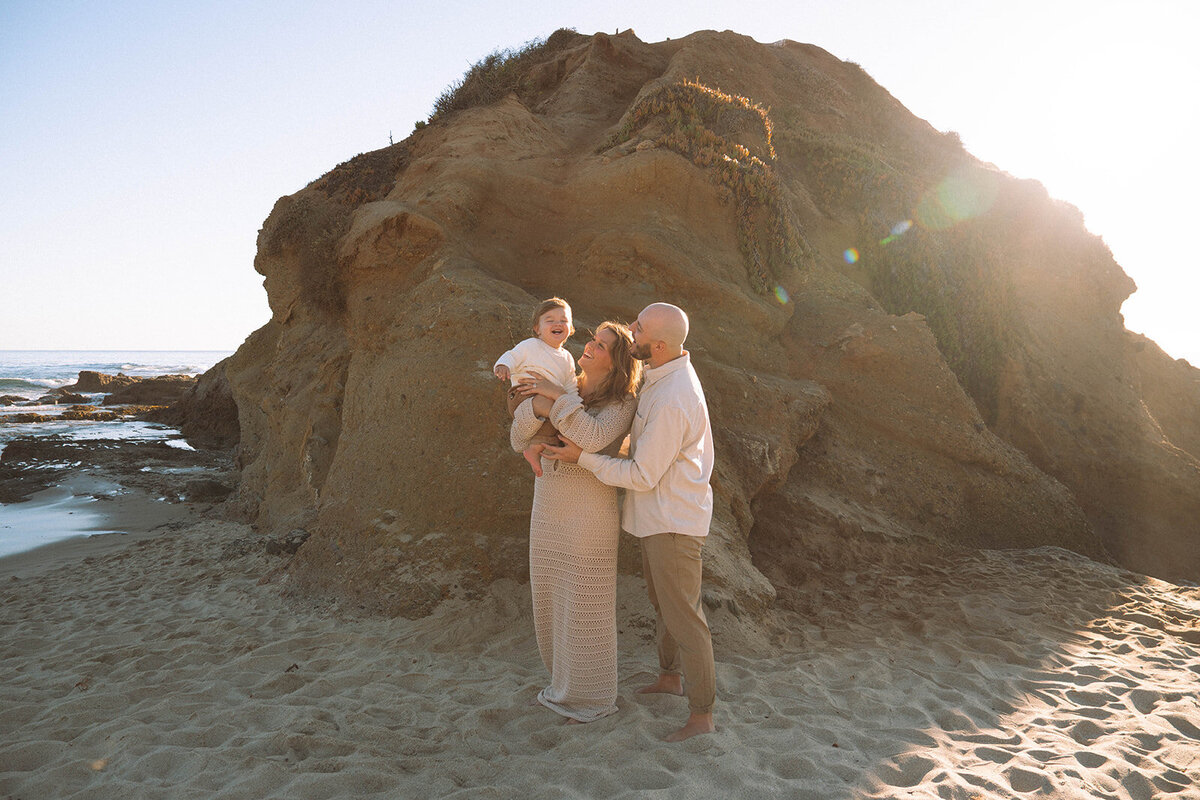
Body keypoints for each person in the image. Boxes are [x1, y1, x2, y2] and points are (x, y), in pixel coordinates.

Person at [544, 302, 717, 742]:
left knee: (684, 617)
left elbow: (642, 473)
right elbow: (643, 454)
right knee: (665, 606)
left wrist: (584, 458)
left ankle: (702, 717)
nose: (631, 330)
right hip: (656, 515)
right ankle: (669, 677)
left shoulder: (675, 397)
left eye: (638, 328)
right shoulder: (660, 379)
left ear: (657, 345)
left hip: (673, 521)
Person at [510, 321, 642, 723]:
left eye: (601, 345)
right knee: (551, 599)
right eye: (594, 339)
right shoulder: (566, 380)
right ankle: (564, 688)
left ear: (616, 362)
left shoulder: (623, 401)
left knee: (586, 605)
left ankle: (592, 698)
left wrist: (554, 399)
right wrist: (542, 404)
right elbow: (518, 438)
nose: (590, 346)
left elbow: (589, 437)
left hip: (588, 512)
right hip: (548, 504)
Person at [494, 297, 577, 476]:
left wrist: (575, 404)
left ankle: (533, 450)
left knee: (550, 431)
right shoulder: (531, 345)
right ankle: (569, 421)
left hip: (548, 401)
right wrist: (503, 365)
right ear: (537, 329)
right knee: (553, 410)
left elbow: (570, 384)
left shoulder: (568, 357)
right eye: (550, 320)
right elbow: (512, 356)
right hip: (523, 395)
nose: (558, 323)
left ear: (571, 329)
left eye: (564, 320)